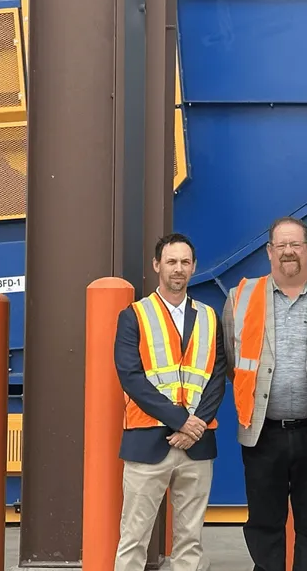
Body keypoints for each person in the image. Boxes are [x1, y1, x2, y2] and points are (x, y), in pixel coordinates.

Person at [222, 216, 307, 571]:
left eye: (295, 244)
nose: (288, 252)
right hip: (263, 432)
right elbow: (233, 361)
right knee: (264, 524)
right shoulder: (240, 297)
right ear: (269, 252)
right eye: (281, 245)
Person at [113, 232, 227, 571]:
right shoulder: (133, 315)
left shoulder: (209, 316)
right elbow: (131, 377)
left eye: (185, 262)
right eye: (172, 262)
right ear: (157, 265)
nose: (178, 269)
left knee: (190, 541)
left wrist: (196, 427)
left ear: (194, 268)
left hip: (197, 443)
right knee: (133, 537)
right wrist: (181, 421)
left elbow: (216, 377)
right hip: (148, 441)